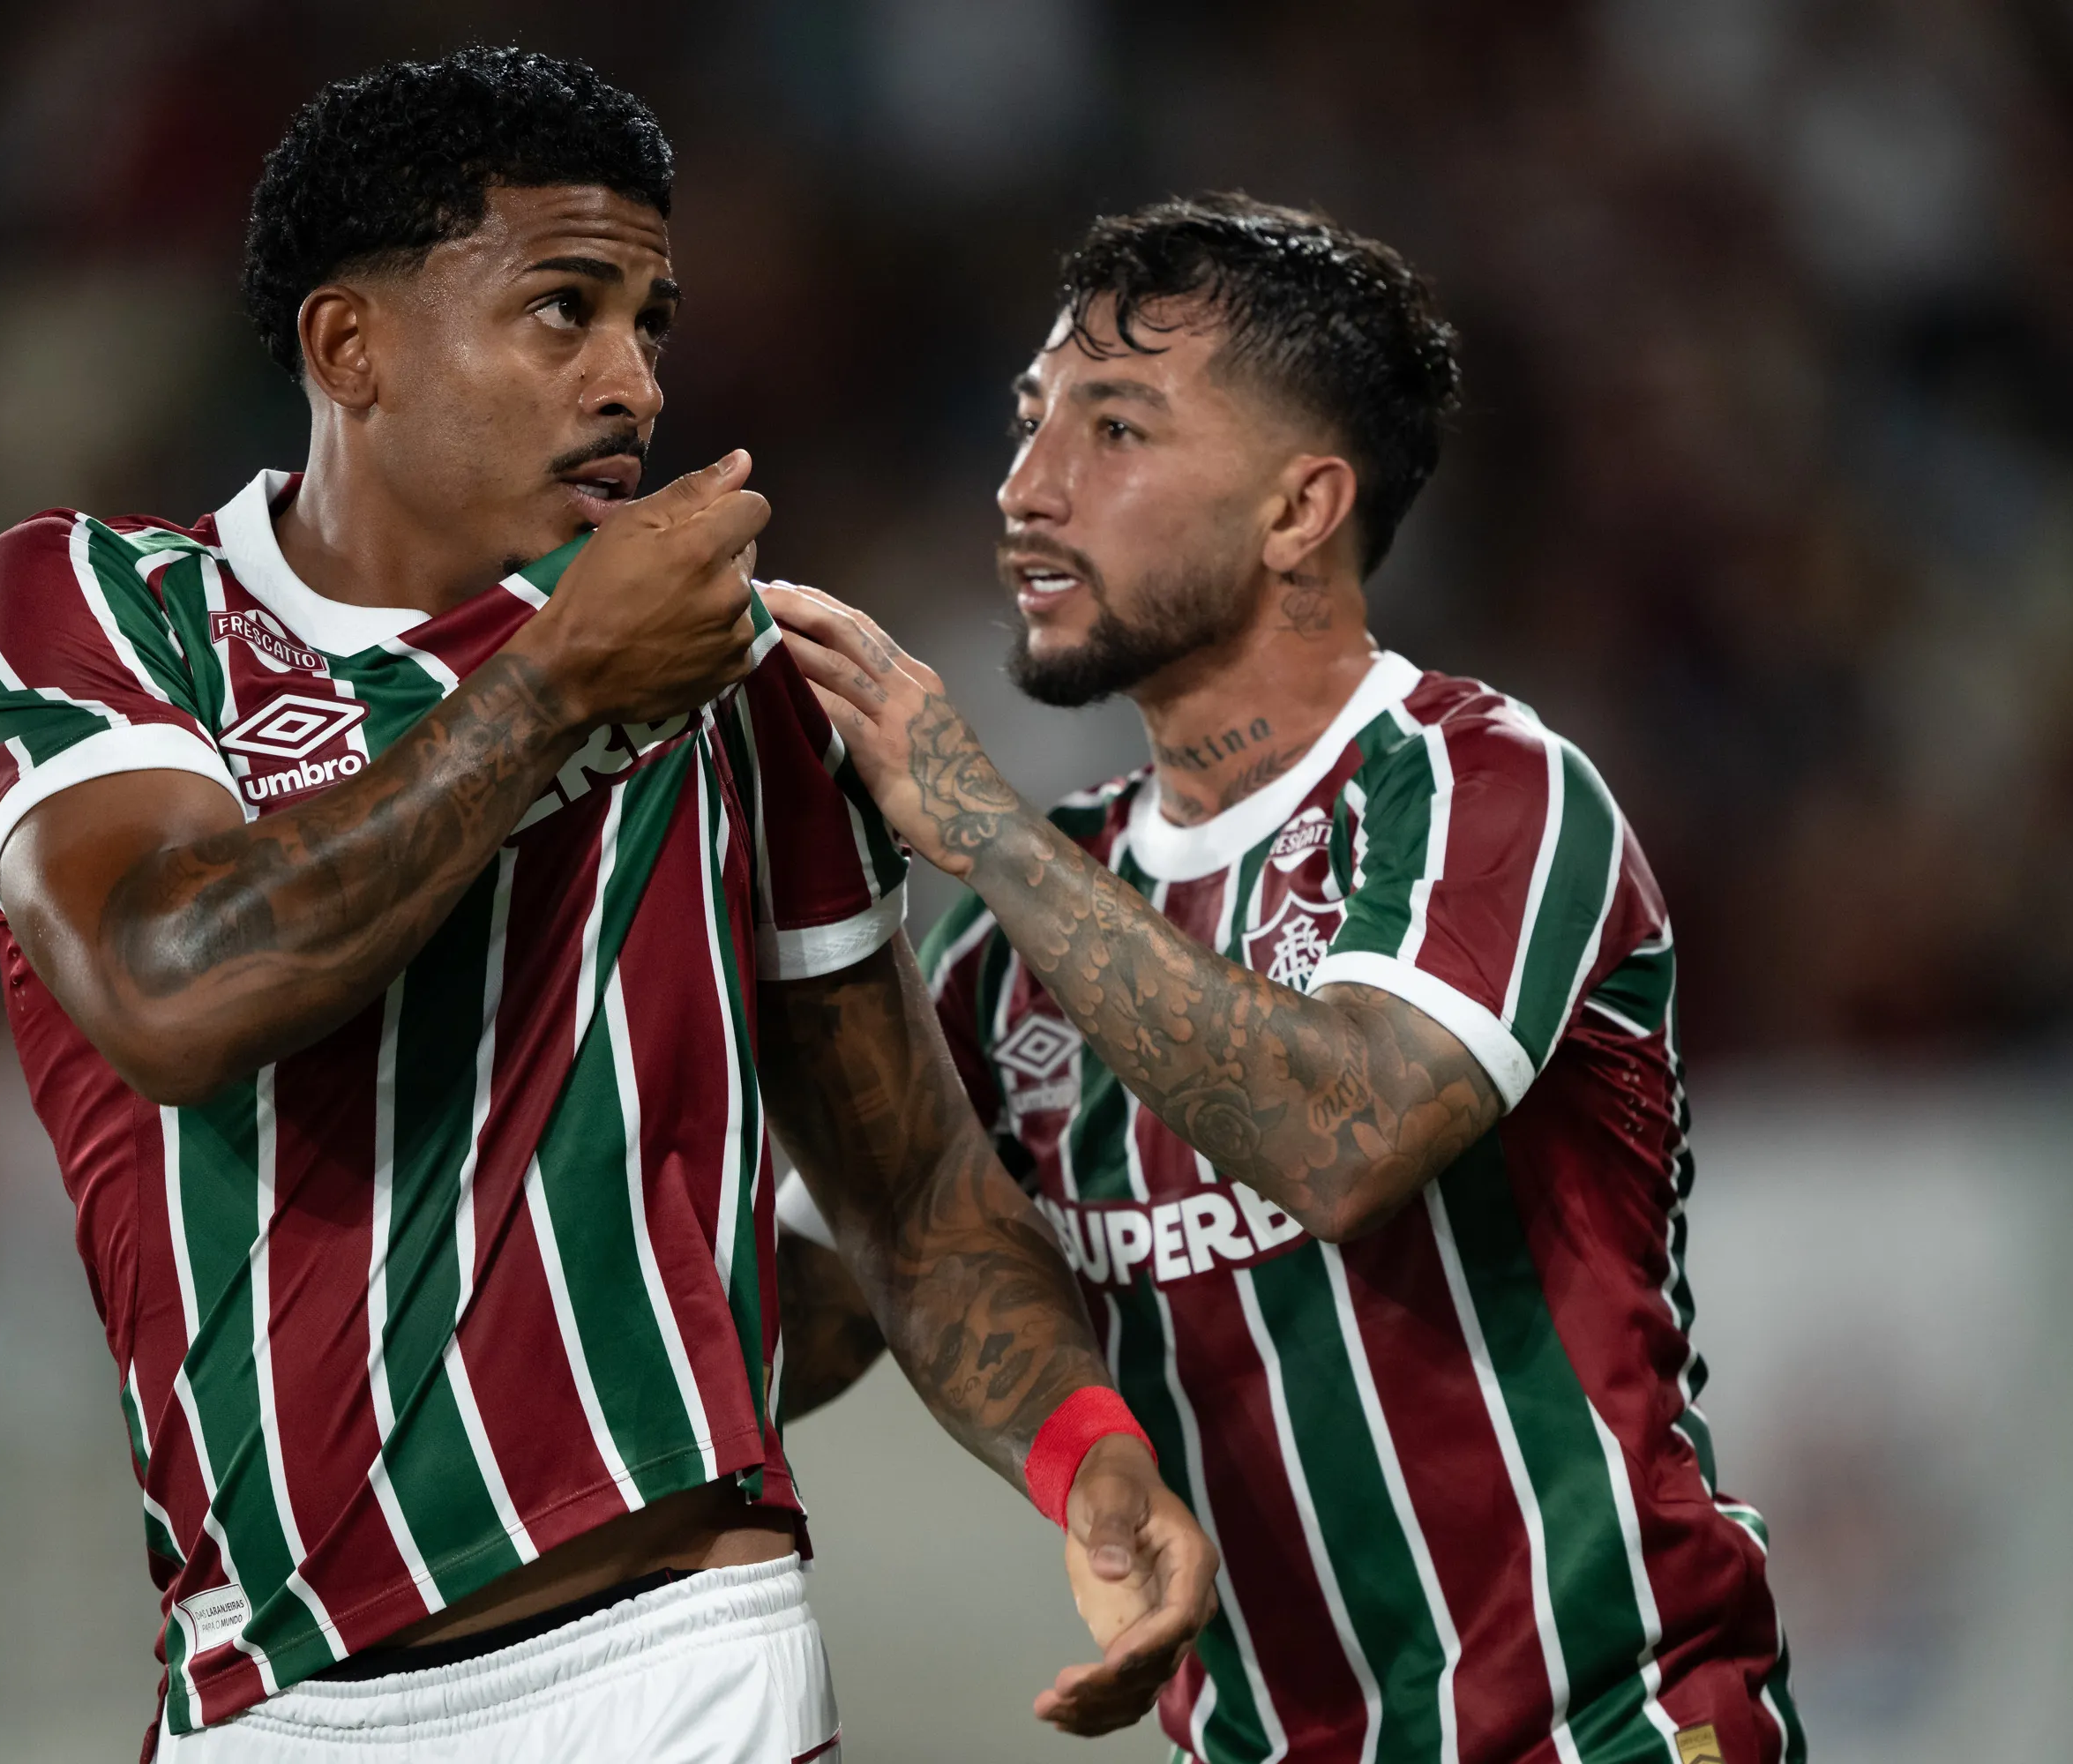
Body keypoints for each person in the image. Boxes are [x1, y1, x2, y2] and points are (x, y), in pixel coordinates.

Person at [0, 50, 1214, 1761]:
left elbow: (899, 1177)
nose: (630, 381)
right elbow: (171, 984)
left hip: (671, 1660)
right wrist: (555, 688)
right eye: (563, 309)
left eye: (653, 323)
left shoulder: (725, 671)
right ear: (351, 349)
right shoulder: (99, 607)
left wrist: (1086, 1455)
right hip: (265, 1690)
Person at [766, 195, 1804, 1764]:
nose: (1026, 492)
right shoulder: (1019, 937)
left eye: (1115, 432)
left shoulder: (1477, 789)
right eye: (1029, 421)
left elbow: (1347, 1137)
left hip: (1610, 1732)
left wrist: (970, 822)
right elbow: (824, 1312)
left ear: (1300, 508)